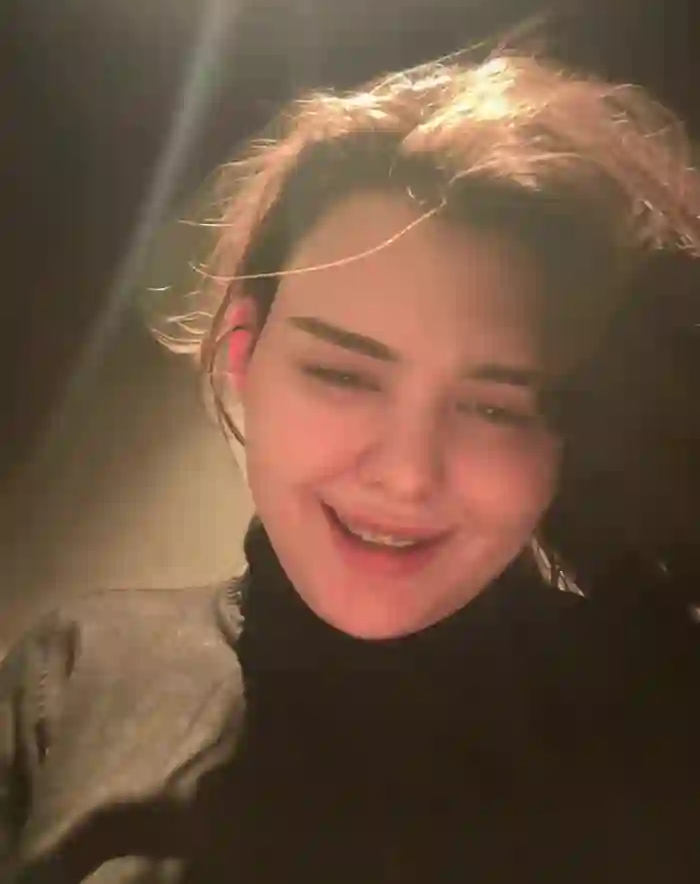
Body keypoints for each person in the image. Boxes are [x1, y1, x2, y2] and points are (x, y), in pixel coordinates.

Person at [3, 46, 700, 883]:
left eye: (495, 407)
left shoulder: (657, 711)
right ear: (242, 352)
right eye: (342, 374)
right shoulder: (79, 670)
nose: (405, 475)